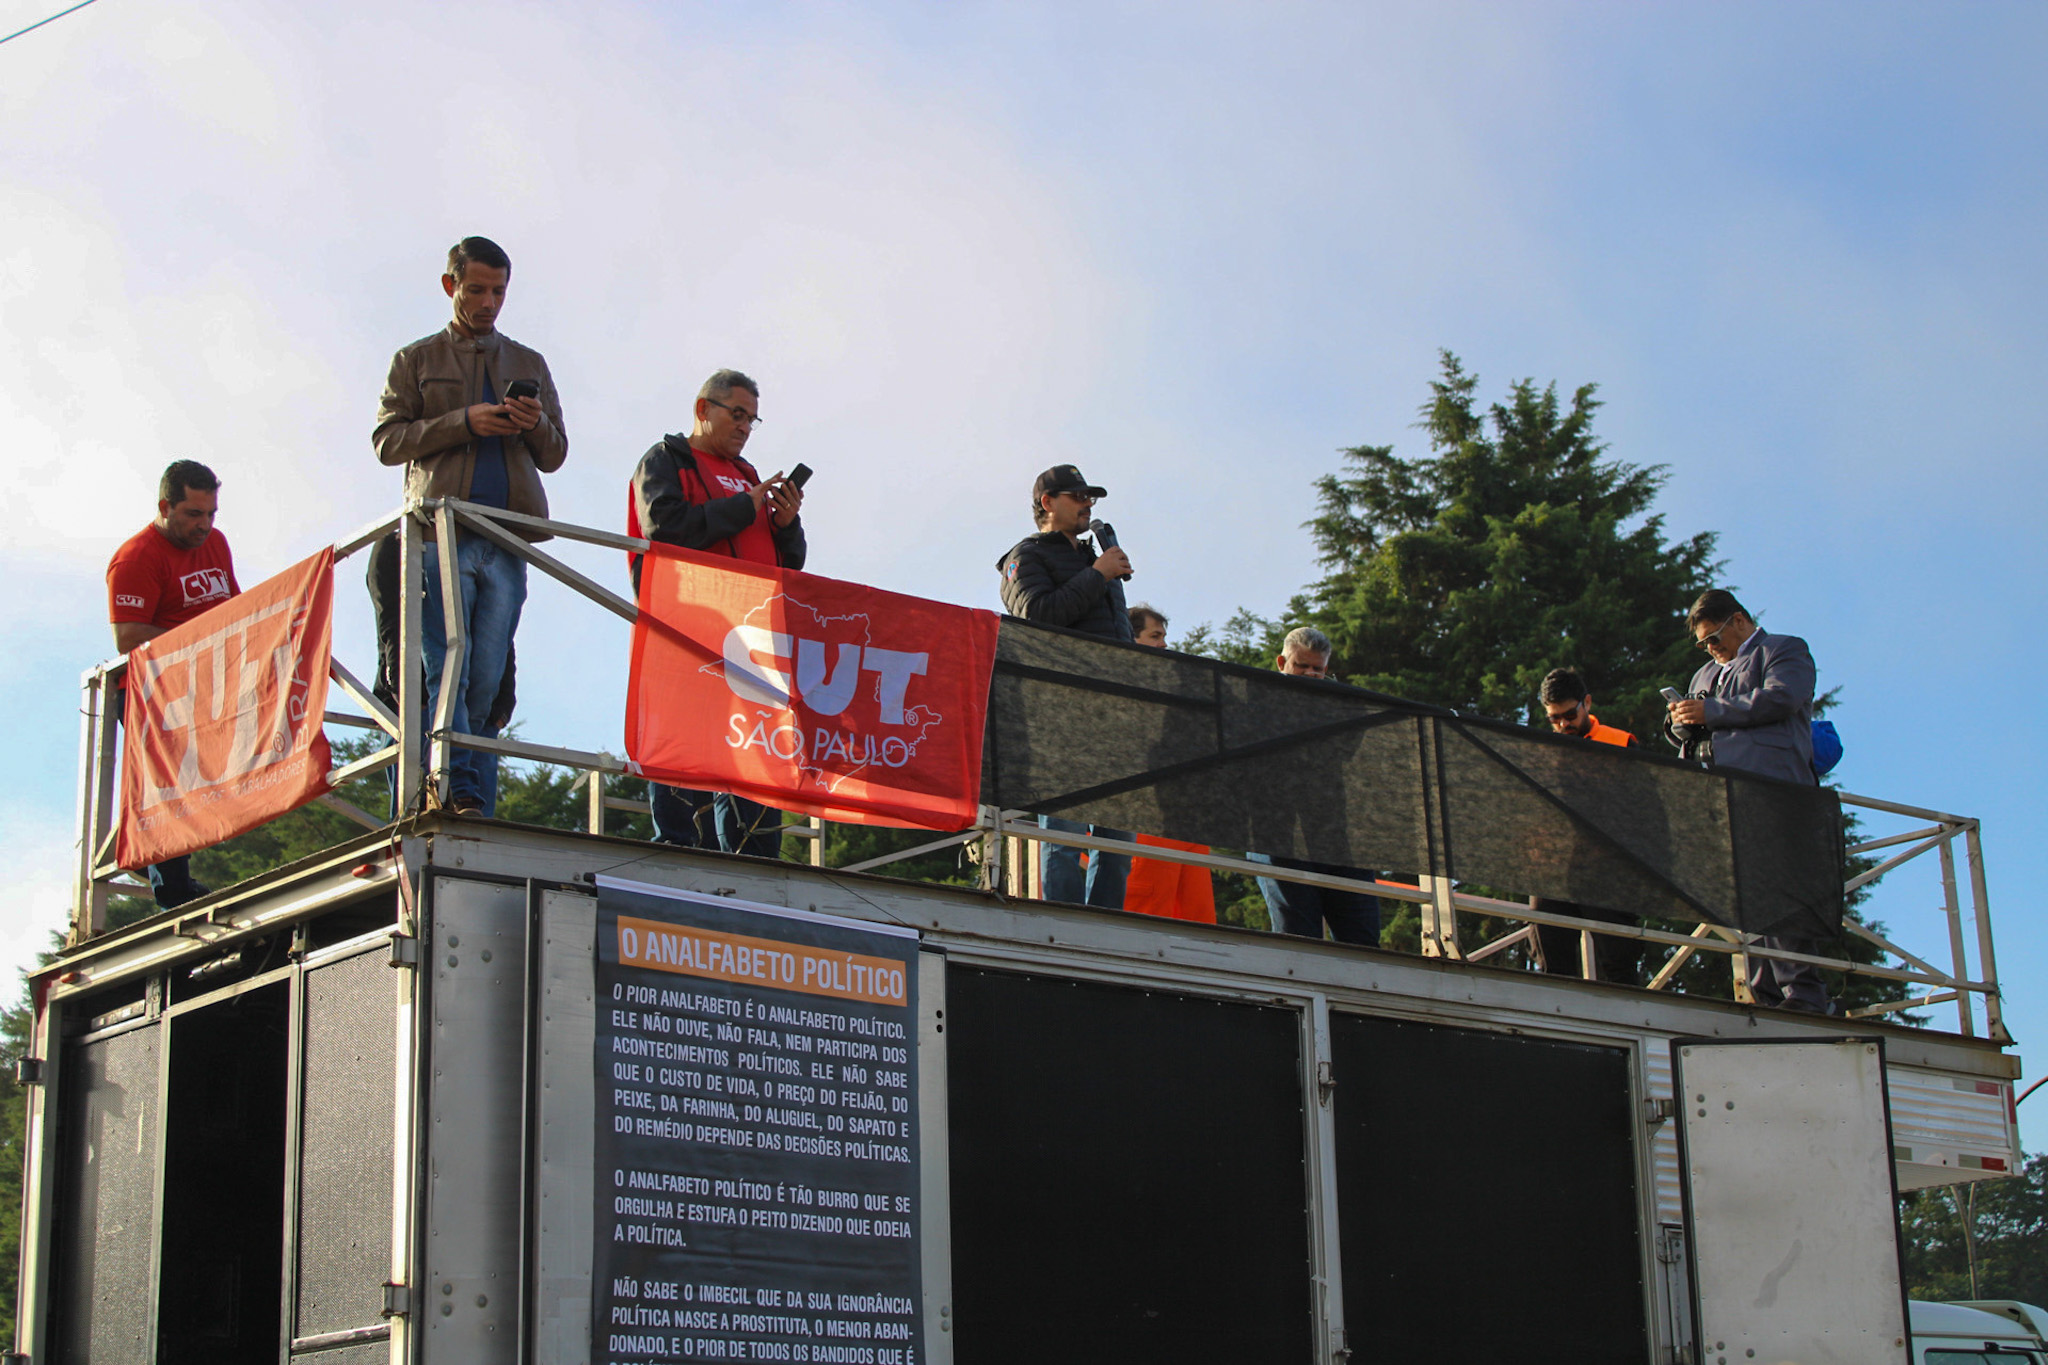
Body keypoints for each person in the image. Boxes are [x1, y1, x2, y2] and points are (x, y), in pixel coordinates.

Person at [373, 235, 567, 817]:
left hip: (506, 536)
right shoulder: (416, 359)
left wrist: (529, 424)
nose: (488, 302)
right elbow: (387, 441)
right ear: (450, 285)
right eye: (477, 289)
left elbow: (555, 453)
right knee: (444, 668)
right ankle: (454, 790)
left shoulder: (529, 363)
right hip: (439, 533)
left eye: (499, 292)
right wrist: (464, 421)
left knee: (485, 673)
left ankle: (472, 794)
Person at [629, 369, 804, 858]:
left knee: (758, 745)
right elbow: (664, 528)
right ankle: (680, 849)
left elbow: (789, 565)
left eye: (753, 418)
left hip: (754, 633)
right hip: (689, 628)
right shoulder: (665, 460)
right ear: (703, 409)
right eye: (737, 413)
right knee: (687, 737)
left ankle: (757, 857)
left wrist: (786, 525)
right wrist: (742, 509)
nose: (746, 427)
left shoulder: (749, 476)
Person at [1664, 589, 1831, 1013]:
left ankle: (1803, 992)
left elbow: (1781, 698)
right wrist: (1680, 721)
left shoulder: (1784, 650)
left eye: (1714, 638)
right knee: (1747, 894)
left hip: (1774, 788)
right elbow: (1698, 724)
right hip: (1722, 796)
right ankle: (1764, 992)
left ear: (1739, 620)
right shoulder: (1703, 676)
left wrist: (1712, 713)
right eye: (1703, 644)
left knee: (1784, 888)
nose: (1710, 649)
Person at [105, 461, 241, 908]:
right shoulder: (136, 557)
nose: (204, 526)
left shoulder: (215, 543)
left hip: (209, 684)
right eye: (193, 515)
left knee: (215, 785)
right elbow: (128, 636)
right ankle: (173, 889)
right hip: (152, 693)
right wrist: (198, 642)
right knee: (172, 789)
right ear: (165, 507)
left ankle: (146, 853)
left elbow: (233, 605)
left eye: (211, 514)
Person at [997, 464, 1134, 907]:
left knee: (1118, 846)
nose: (1087, 505)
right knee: (1066, 839)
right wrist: (1097, 574)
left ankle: (1108, 927)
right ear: (1047, 503)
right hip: (1061, 713)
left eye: (1090, 497)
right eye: (1077, 496)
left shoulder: (1094, 559)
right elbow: (1036, 616)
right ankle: (1064, 924)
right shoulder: (1027, 556)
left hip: (1116, 712)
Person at [1248, 628, 1380, 946]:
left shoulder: (1343, 708)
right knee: (1298, 932)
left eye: (1317, 669)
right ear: (1282, 661)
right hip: (1276, 832)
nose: (1309, 674)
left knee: (1361, 931)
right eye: (1301, 666)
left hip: (1332, 832)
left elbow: (1348, 751)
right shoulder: (1255, 701)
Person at [1530, 667, 1641, 983]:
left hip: (1610, 868)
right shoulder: (1541, 752)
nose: (1563, 724)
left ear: (1587, 704)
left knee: (1618, 958)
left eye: (1568, 715)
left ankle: (1630, 1022)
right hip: (1556, 868)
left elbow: (1645, 813)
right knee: (1551, 958)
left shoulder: (1620, 743)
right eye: (1554, 719)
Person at [1121, 605, 1217, 922]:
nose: (1164, 644)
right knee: (1149, 908)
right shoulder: (1119, 683)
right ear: (1131, 637)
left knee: (1199, 916)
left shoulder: (1177, 685)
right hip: (1149, 815)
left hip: (1189, 815)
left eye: (1164, 636)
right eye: (1155, 635)